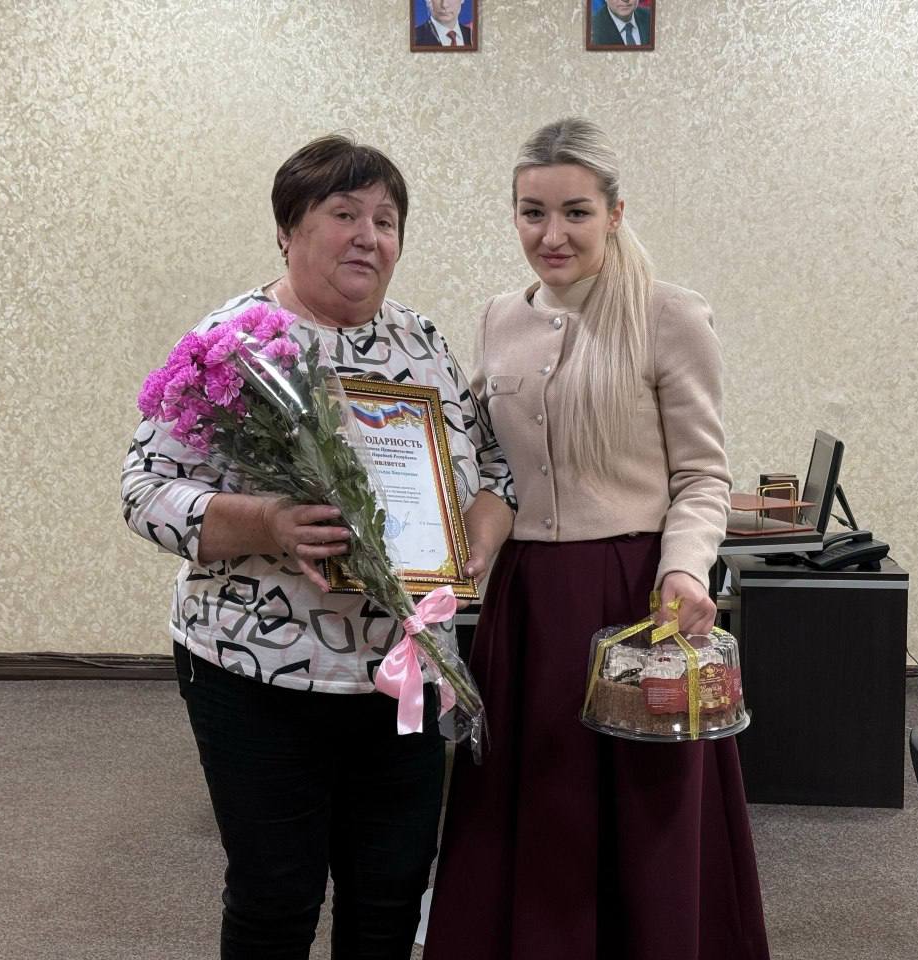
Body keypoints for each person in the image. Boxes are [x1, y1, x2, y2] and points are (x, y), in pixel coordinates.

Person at [121, 134, 515, 960]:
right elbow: (146, 492)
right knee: (276, 896)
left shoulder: (421, 341)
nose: (369, 236)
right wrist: (267, 522)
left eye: (387, 220)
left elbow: (491, 473)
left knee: (392, 891)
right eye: (344, 214)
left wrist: (475, 544)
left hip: (404, 673)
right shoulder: (235, 345)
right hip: (259, 673)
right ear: (287, 230)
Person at [423, 118, 770, 959]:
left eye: (575, 212)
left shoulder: (669, 315)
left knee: (643, 814)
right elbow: (483, 460)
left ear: (615, 213)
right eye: (532, 213)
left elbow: (703, 477)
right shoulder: (497, 318)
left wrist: (687, 572)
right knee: (538, 803)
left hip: (636, 597)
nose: (552, 234)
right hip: (528, 603)